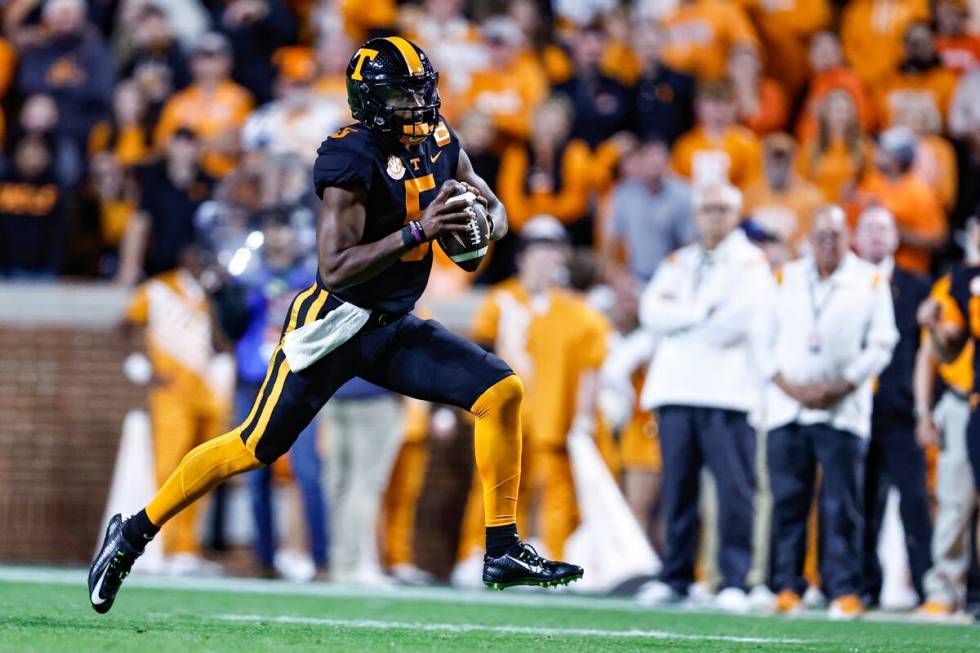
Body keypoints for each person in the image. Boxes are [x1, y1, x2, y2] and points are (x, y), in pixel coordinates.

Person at [89, 36, 582, 614]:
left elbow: (493, 212)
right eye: (403, 95)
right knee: (253, 446)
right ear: (370, 100)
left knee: (501, 390)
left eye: (422, 92)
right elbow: (336, 268)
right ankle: (132, 535)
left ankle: (501, 548)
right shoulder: (351, 155)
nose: (418, 106)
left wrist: (480, 223)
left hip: (393, 322)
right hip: (334, 322)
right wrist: (420, 232)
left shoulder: (439, 137)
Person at [635, 183, 774, 613]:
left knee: (734, 491)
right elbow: (650, 312)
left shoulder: (752, 263)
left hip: (727, 392)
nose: (714, 216)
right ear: (697, 215)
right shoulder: (680, 260)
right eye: (707, 209)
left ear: (736, 215)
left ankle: (736, 579)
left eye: (723, 209)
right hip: (676, 388)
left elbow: (738, 322)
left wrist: (681, 318)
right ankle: (676, 576)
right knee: (678, 490)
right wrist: (701, 312)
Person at [766, 206, 898, 620]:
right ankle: (787, 585)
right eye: (820, 234)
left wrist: (841, 385)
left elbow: (882, 342)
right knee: (788, 502)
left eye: (836, 235)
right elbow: (762, 336)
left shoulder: (870, 281)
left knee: (842, 504)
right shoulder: (785, 277)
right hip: (787, 407)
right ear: (809, 238)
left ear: (848, 239)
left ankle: (844, 588)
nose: (827, 241)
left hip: (842, 410)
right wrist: (788, 384)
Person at [457, 216, 611, 570]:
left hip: (552, 417)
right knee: (495, 487)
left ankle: (554, 554)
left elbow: (591, 364)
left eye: (552, 252)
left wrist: (584, 416)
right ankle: (476, 553)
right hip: (505, 415)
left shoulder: (577, 312)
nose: (546, 260)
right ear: (523, 256)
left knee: (558, 490)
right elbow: (478, 354)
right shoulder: (502, 300)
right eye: (539, 251)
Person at [221, 208, 328, 578]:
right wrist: (222, 293)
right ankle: (263, 559)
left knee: (308, 472)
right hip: (254, 381)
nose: (279, 235)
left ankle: (321, 560)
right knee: (253, 472)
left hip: (297, 380)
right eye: (272, 227)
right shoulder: (248, 276)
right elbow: (232, 327)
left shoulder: (310, 276)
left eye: (283, 227)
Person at [122, 243, 233, 574]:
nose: (202, 265)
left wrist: (213, 299)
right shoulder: (158, 289)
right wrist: (140, 368)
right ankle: (167, 547)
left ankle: (188, 548)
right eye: (198, 258)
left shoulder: (211, 295)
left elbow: (221, 343)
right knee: (170, 468)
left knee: (203, 473)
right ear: (185, 258)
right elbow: (123, 327)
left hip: (210, 392)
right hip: (172, 392)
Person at [854, 207, 933, 607]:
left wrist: (923, 408)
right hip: (853, 411)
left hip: (900, 412)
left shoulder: (919, 287)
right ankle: (863, 587)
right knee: (861, 502)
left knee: (915, 502)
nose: (876, 236)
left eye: (884, 229)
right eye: (868, 229)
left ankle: (929, 589)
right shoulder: (845, 285)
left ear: (896, 238)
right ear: (856, 236)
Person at [915, 230, 978, 617]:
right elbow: (939, 348)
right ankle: (945, 587)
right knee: (955, 500)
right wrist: (924, 412)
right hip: (963, 400)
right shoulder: (957, 280)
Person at [116, 128, 214, 285]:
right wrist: (129, 269)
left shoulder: (209, 185)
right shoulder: (154, 182)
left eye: (189, 146)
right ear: (170, 147)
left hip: (198, 268)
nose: (184, 153)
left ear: (198, 149)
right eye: (180, 145)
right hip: (160, 267)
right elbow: (140, 224)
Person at [153, 31, 254, 178]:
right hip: (185, 181)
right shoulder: (177, 101)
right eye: (201, 57)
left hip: (224, 178)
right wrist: (210, 142)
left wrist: (191, 144)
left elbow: (235, 144)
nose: (207, 63)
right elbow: (162, 145)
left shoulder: (240, 98)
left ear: (228, 61)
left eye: (213, 56)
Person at [852, 126, 946, 275]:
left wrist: (890, 227)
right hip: (866, 271)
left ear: (896, 159)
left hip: (909, 275)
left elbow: (936, 241)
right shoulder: (870, 183)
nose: (876, 153)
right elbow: (852, 228)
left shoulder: (921, 193)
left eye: (883, 151)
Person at [603, 137, 695, 282]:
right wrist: (614, 276)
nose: (655, 163)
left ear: (668, 162)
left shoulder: (683, 194)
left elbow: (691, 244)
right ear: (639, 161)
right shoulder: (624, 194)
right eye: (650, 157)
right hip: (635, 276)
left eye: (660, 158)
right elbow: (611, 241)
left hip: (675, 276)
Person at [671, 80, 763, 191]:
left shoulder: (747, 143)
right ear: (698, 107)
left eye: (725, 102)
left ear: (734, 107)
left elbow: (753, 186)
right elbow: (675, 186)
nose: (718, 110)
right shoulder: (685, 144)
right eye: (712, 103)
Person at [744, 133, 826, 254]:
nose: (777, 165)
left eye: (783, 159)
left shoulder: (812, 199)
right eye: (772, 159)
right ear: (763, 160)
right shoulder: (750, 195)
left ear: (794, 160)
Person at [626, 20, 695, 145]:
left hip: (678, 154)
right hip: (646, 156)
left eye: (653, 46)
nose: (650, 52)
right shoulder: (631, 87)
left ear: (663, 45)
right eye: (645, 47)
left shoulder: (683, 81)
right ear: (635, 50)